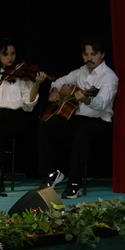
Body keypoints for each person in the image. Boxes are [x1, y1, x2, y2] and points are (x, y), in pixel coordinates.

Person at [38, 38, 118, 198]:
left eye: (93, 54)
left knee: (81, 134)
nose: (89, 58)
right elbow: (59, 81)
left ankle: (75, 183)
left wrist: (86, 99)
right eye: (86, 54)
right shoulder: (80, 72)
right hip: (77, 118)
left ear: (102, 55)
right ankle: (53, 173)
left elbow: (102, 103)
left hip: (99, 121)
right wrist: (54, 90)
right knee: (46, 125)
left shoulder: (109, 77)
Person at [0, 39, 47, 191]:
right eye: (5, 54)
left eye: (13, 54)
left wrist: (36, 84)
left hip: (17, 118)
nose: (10, 58)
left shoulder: (22, 75)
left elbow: (29, 104)